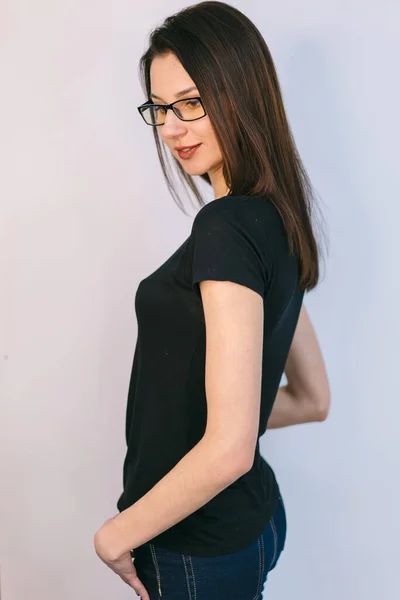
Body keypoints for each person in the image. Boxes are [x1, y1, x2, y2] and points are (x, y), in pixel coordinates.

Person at [93, 1, 330, 598]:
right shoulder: (278, 218)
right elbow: (311, 398)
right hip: (253, 523)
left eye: (192, 104)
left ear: (240, 93)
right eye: (160, 109)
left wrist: (114, 537)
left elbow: (229, 450)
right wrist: (217, 417)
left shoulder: (226, 227)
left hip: (197, 546)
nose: (172, 129)